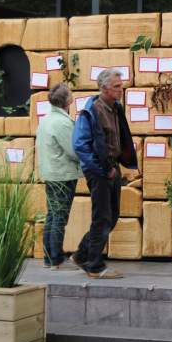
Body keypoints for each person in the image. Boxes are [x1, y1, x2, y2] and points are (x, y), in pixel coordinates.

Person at [71, 68, 136, 279]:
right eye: (117, 86)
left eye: (121, 84)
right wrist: (101, 170)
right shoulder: (92, 111)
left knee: (113, 215)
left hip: (112, 168)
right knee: (102, 217)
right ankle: (95, 266)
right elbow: (80, 145)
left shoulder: (115, 108)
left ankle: (82, 254)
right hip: (99, 171)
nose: (121, 89)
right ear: (104, 88)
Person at [35, 83, 82, 270]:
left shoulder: (46, 119)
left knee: (52, 215)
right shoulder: (62, 122)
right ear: (68, 100)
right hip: (62, 175)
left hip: (51, 173)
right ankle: (55, 258)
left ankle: (48, 258)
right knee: (59, 217)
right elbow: (73, 151)